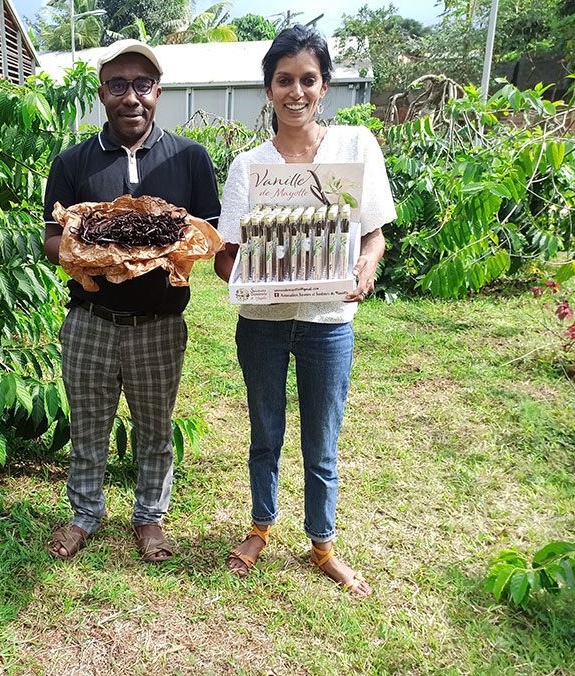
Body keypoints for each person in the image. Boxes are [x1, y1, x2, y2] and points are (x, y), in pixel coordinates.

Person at [214, 25, 396, 595]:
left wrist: (365, 265)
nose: (296, 91)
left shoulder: (355, 147)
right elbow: (228, 257)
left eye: (307, 80)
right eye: (284, 80)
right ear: (268, 89)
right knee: (265, 433)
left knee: (322, 441)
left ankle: (322, 544)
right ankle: (260, 528)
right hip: (262, 325)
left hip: (327, 324)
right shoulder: (249, 166)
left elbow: (373, 235)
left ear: (324, 87)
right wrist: (245, 274)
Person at [43, 40, 221, 562]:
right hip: (90, 320)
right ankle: (83, 515)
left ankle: (150, 519)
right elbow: (51, 239)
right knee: (88, 424)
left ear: (157, 92)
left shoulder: (189, 158)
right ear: (101, 94)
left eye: (141, 85)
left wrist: (174, 251)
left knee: (154, 427)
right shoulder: (74, 160)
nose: (130, 97)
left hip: (158, 324)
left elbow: (206, 234)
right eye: (118, 85)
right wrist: (86, 253)